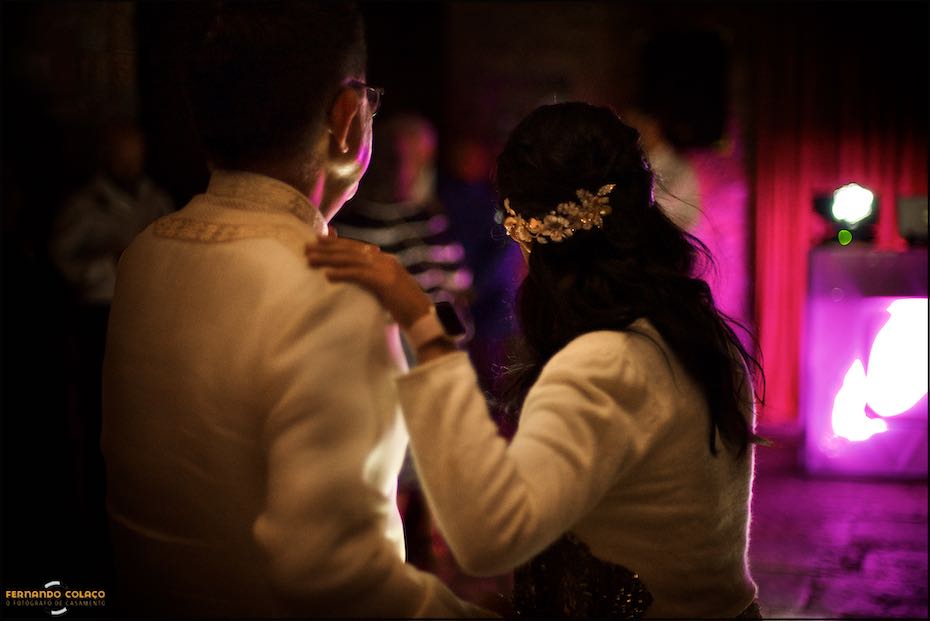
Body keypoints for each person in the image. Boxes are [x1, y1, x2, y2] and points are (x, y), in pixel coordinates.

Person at [101, 2, 491, 617]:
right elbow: (346, 586)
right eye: (370, 102)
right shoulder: (335, 301)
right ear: (346, 117)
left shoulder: (144, 254)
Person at [307, 101, 766, 619]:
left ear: (528, 234)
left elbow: (488, 539)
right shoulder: (698, 330)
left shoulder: (606, 364)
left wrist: (425, 329)